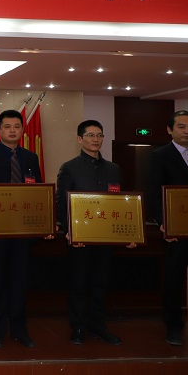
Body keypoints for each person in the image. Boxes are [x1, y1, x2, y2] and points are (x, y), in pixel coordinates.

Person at [0, 109, 44, 349]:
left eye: (17, 126)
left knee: (20, 282)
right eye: (7, 126)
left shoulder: (31, 158)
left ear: (22, 130)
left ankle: (20, 330)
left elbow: (38, 193)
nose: (12, 130)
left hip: (23, 232)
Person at [56, 120, 126, 346]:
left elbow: (120, 203)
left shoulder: (113, 169)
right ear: (80, 139)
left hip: (105, 237)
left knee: (100, 284)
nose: (95, 139)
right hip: (80, 238)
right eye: (90, 135)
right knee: (78, 284)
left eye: (99, 135)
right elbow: (61, 203)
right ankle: (77, 327)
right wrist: (69, 231)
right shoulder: (69, 167)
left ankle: (98, 326)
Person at [147, 110, 188, 346]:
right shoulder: (159, 156)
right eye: (181, 126)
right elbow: (153, 192)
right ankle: (173, 327)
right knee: (173, 280)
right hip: (174, 232)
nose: (187, 131)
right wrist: (163, 223)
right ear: (170, 130)